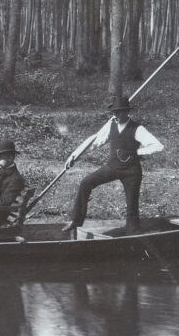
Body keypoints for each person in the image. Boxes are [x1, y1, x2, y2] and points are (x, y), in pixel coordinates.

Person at [61, 95, 164, 235]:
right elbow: (94, 141)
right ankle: (75, 220)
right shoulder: (111, 125)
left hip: (131, 172)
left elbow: (158, 146)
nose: (115, 115)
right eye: (114, 112)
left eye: (119, 112)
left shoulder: (137, 128)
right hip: (112, 167)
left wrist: (137, 152)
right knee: (86, 183)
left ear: (126, 112)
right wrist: (74, 155)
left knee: (132, 205)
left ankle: (132, 233)